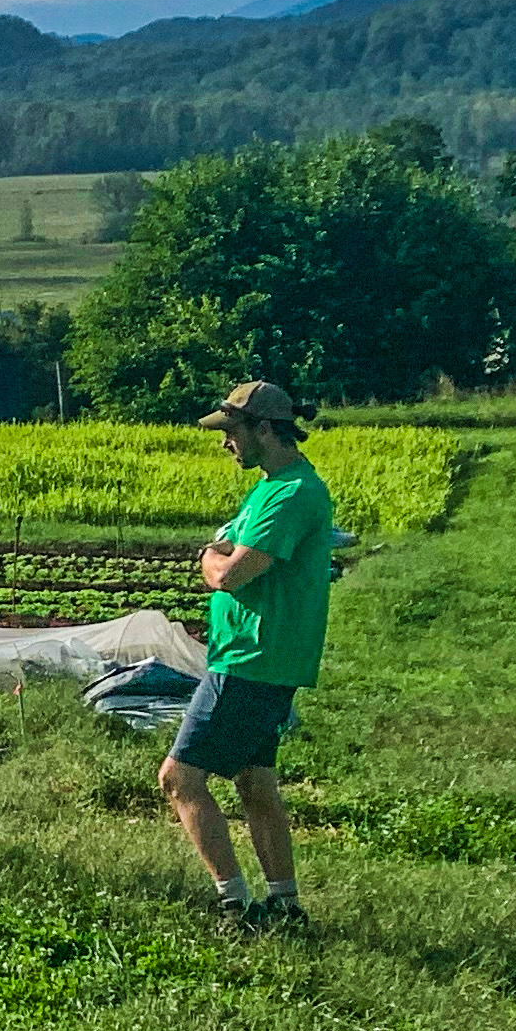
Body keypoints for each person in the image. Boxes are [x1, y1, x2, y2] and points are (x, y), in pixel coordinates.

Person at [161, 379, 335, 926]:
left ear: (265, 429)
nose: (224, 442)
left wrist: (210, 562)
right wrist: (221, 556)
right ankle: (283, 904)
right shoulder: (274, 485)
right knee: (255, 781)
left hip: (251, 660)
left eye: (232, 431)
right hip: (265, 658)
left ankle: (233, 905)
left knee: (179, 778)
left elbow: (233, 573)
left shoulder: (290, 494)